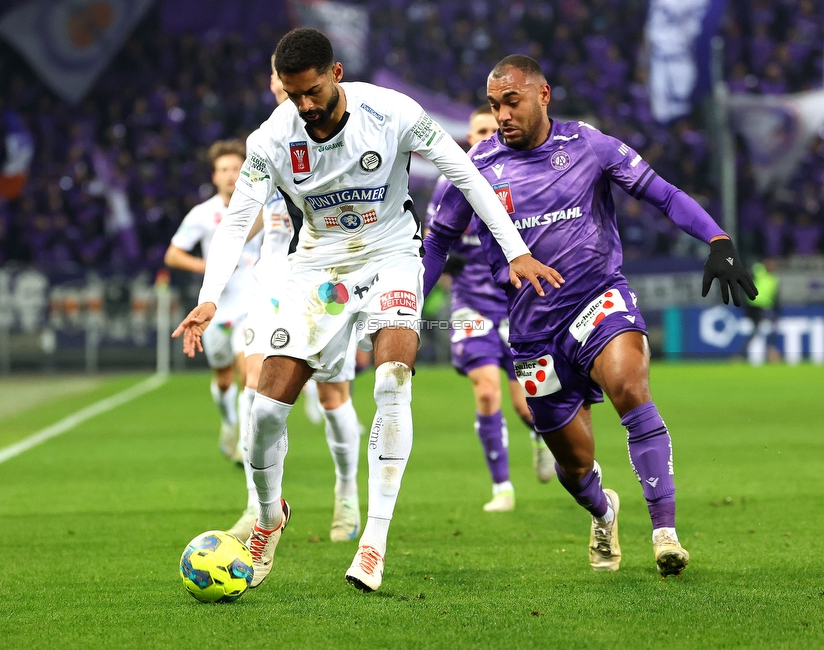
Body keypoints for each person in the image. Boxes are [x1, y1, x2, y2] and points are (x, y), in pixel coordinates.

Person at [173, 30, 561, 593]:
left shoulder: (393, 111)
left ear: (335, 73)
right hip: (318, 271)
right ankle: (267, 517)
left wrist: (516, 250)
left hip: (392, 256)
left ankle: (373, 539)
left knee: (392, 381)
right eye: (292, 94)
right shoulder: (271, 139)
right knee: (264, 415)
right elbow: (237, 221)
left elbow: (465, 173)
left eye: (311, 92)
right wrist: (210, 295)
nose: (304, 106)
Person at [422, 55, 756, 577]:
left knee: (630, 388)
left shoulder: (588, 146)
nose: (503, 114)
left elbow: (662, 194)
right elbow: (437, 242)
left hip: (596, 300)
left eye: (512, 101)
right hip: (532, 331)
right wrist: (409, 310)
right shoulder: (475, 169)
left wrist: (717, 238)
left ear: (543, 94)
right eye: (494, 105)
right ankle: (603, 511)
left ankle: (665, 531)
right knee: (575, 465)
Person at [227, 60, 364, 545]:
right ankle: (259, 504)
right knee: (255, 387)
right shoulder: (267, 141)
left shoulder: (346, 132)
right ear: (275, 84)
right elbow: (255, 214)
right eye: (280, 81)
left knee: (332, 396)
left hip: (326, 282)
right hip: (272, 281)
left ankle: (346, 492)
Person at [425, 105, 555, 514]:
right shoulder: (450, 182)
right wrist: (447, 263)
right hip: (469, 304)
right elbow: (431, 243)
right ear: (468, 137)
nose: (484, 136)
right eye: (478, 130)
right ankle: (502, 488)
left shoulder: (519, 178)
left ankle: (539, 438)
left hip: (516, 303)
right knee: (486, 390)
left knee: (526, 403)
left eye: (490, 129)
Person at [164, 140, 262, 463]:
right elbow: (173, 254)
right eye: (224, 169)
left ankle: (246, 450)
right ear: (214, 175)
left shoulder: (261, 206)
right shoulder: (203, 214)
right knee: (223, 380)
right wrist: (206, 266)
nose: (231, 175)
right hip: (216, 307)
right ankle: (229, 423)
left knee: (251, 373)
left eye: (236, 168)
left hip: (252, 303)